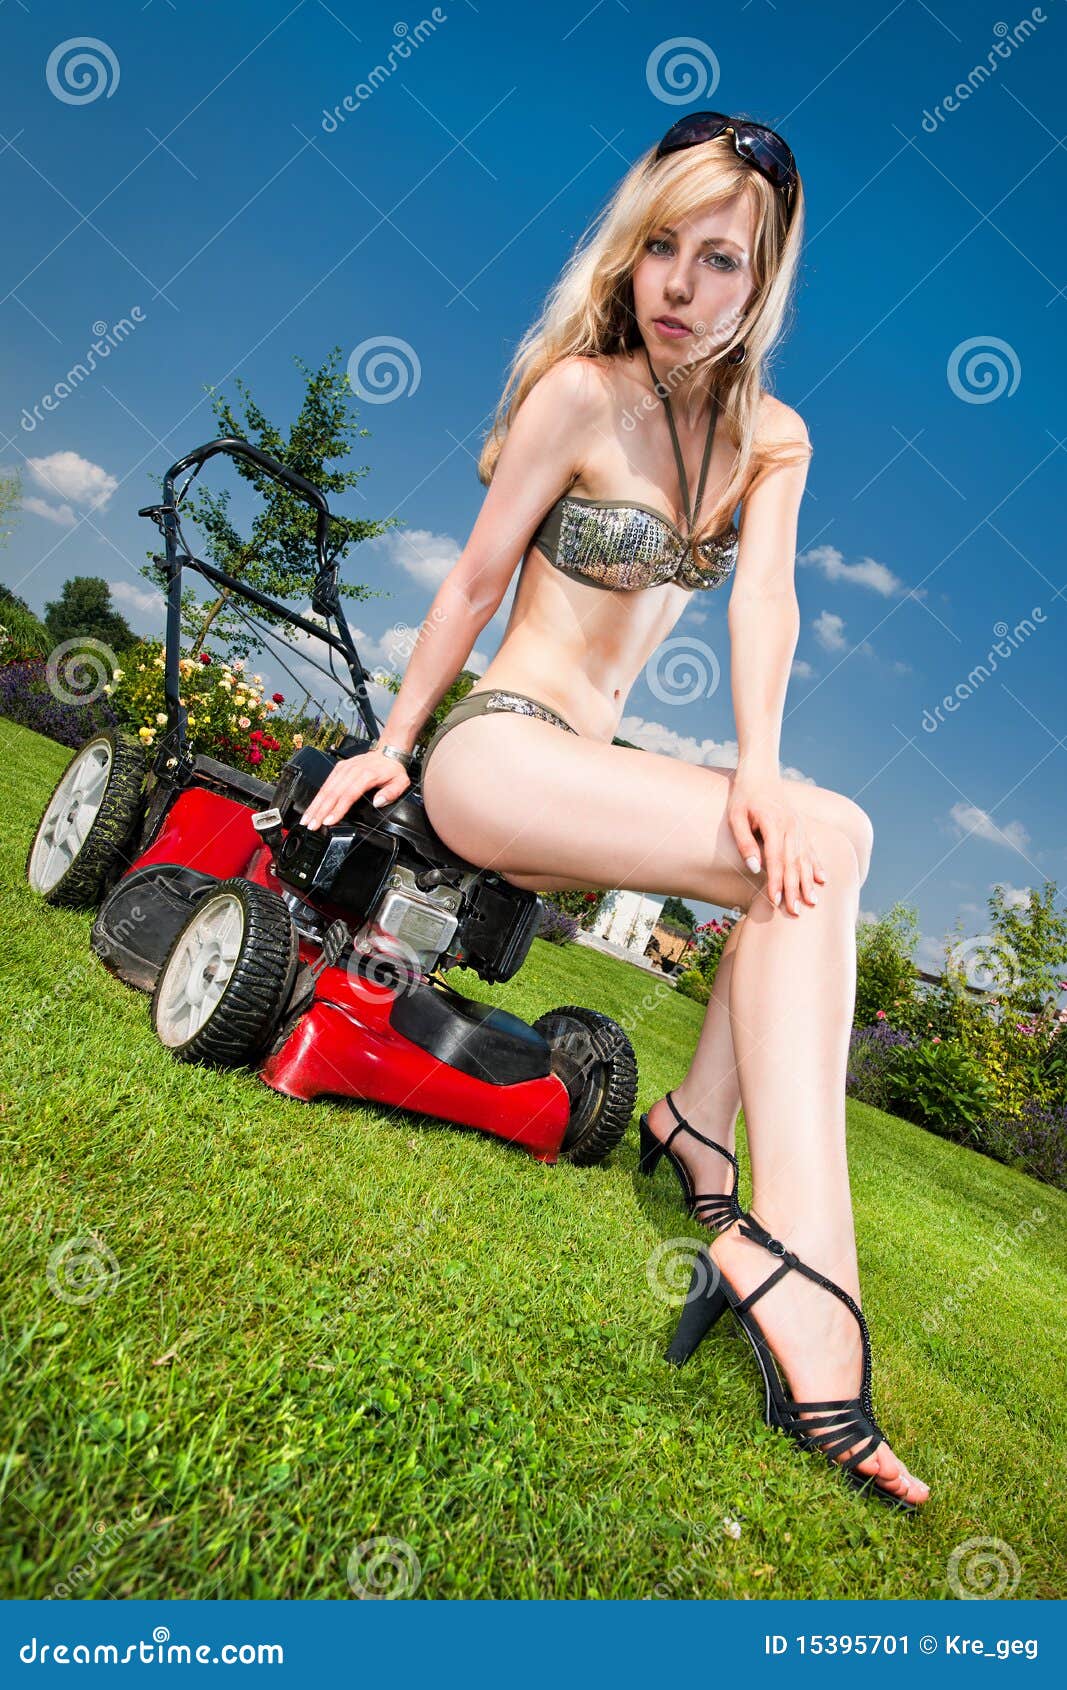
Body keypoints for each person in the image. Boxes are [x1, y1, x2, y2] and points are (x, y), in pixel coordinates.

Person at [301, 112, 929, 1510]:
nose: (679, 283)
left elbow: (767, 599)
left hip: (593, 760)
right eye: (660, 246)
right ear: (628, 249)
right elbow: (471, 582)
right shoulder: (581, 393)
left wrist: (760, 759)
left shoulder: (774, 438)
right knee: (818, 844)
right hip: (500, 752)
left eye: (719, 258)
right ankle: (799, 1273)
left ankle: (703, 1137)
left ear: (762, 279)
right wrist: (393, 744)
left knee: (829, 833)